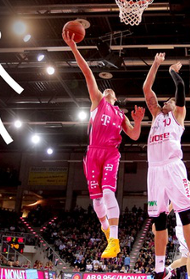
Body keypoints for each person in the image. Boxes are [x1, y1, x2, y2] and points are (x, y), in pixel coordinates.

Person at [62, 31, 145, 259]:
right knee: (97, 200)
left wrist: (137, 121)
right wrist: (73, 48)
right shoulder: (97, 101)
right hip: (92, 153)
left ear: (116, 98)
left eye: (112, 91)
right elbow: (87, 72)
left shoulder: (120, 114)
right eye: (106, 88)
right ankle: (107, 231)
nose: (108, 89)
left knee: (108, 193)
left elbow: (135, 136)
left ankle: (115, 240)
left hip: (110, 153)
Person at [143, 52, 190, 279]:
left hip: (173, 166)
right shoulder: (156, 115)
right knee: (158, 220)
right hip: (154, 171)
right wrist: (156, 64)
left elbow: (180, 88)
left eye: (169, 101)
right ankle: (159, 272)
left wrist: (171, 72)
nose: (166, 102)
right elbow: (147, 89)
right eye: (164, 101)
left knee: (185, 214)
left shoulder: (178, 116)